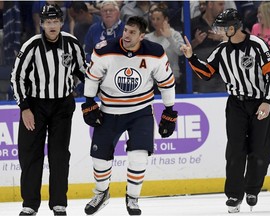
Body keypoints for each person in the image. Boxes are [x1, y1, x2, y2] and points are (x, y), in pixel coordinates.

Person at [180, 8, 270, 213]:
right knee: (235, 151)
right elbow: (207, 73)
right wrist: (191, 58)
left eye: (223, 26)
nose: (219, 30)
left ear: (234, 26)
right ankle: (234, 195)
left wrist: (267, 101)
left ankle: (252, 188)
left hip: (259, 103)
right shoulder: (222, 49)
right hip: (235, 104)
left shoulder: (257, 44)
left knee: (260, 150)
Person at [81, 16, 177, 216]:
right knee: (99, 159)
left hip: (140, 112)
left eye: (132, 32)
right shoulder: (105, 49)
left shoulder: (155, 53)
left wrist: (169, 110)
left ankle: (132, 198)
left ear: (142, 36)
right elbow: (92, 77)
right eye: (126, 30)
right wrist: (89, 102)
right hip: (109, 110)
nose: (126, 35)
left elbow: (166, 82)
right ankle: (101, 193)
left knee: (138, 156)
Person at [10, 4, 87, 216]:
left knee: (60, 155)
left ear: (61, 23)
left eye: (55, 21)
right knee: (31, 155)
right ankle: (30, 204)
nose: (52, 25)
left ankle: (59, 203)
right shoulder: (31, 46)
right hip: (35, 106)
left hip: (62, 105)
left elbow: (83, 71)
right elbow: (17, 77)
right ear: (42, 24)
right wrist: (24, 107)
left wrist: (93, 94)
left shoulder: (72, 43)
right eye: (48, 22)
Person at [145, 3, 184, 91]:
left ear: (166, 19)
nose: (155, 22)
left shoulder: (175, 34)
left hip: (172, 80)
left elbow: (181, 52)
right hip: (152, 83)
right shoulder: (147, 38)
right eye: (153, 19)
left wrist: (169, 37)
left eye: (158, 19)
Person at [190, 1, 226, 93]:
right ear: (210, 4)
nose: (223, 8)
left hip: (222, 70)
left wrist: (223, 38)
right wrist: (196, 41)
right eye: (220, 4)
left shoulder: (226, 23)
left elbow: (237, 45)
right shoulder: (193, 23)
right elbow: (185, 49)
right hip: (203, 70)